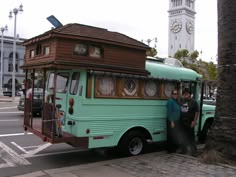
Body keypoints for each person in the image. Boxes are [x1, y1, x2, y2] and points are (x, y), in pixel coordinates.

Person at [180, 88, 199, 156]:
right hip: (182, 121)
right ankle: (184, 150)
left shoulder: (194, 102)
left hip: (190, 121)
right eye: (184, 94)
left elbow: (197, 112)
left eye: (187, 94)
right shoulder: (182, 100)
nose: (185, 95)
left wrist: (194, 121)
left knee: (191, 137)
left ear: (190, 94)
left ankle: (194, 152)